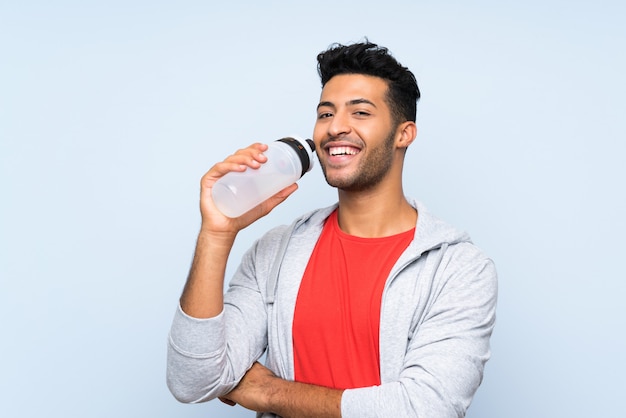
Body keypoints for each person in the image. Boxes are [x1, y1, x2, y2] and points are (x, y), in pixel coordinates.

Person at [167, 41, 497, 418]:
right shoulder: (274, 252)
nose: (336, 127)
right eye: (325, 113)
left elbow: (424, 409)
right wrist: (216, 234)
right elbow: (192, 380)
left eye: (360, 112)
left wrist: (270, 392)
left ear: (404, 134)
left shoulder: (459, 269)